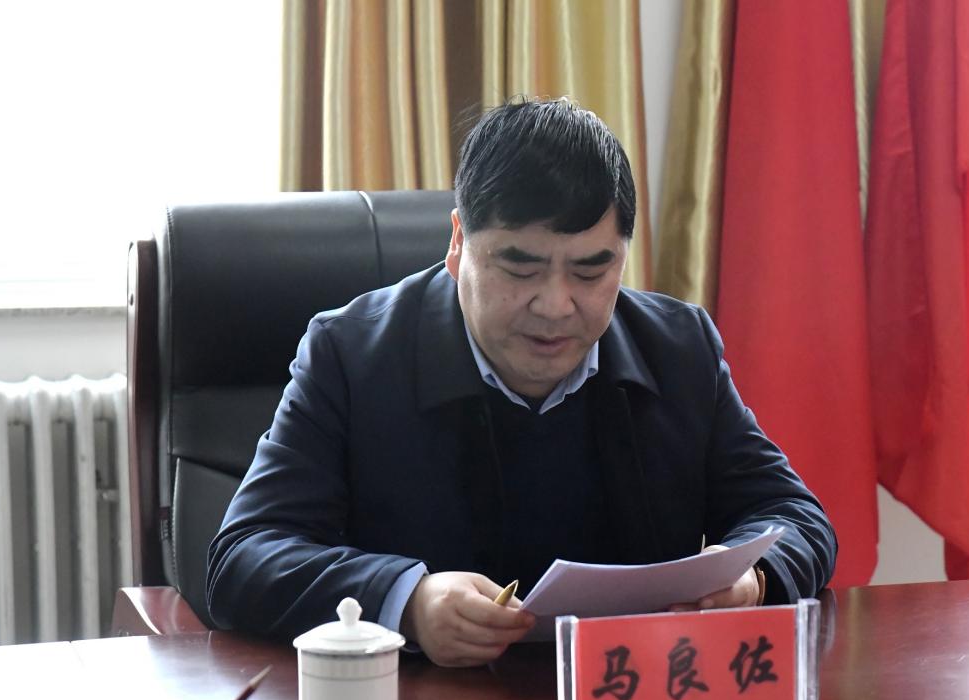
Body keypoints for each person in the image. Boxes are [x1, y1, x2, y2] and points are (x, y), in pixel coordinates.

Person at [207, 98, 837, 667]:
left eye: (590, 272)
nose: (555, 305)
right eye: (521, 268)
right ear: (459, 242)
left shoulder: (678, 349)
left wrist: (751, 578)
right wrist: (406, 600)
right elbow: (245, 555)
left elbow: (795, 515)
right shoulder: (351, 354)